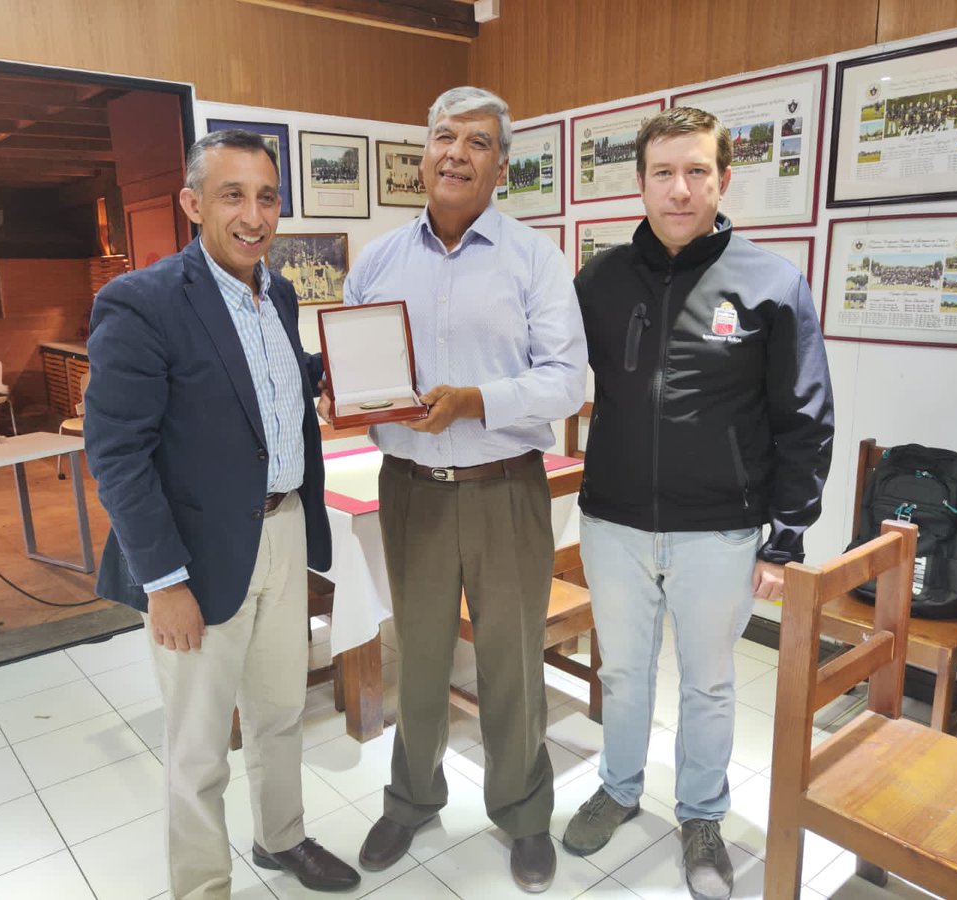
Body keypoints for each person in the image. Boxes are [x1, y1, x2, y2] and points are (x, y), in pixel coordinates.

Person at [563, 108, 834, 900]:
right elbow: (548, 368)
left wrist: (785, 537)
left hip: (720, 530)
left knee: (709, 684)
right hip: (613, 522)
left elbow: (805, 416)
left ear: (723, 179)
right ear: (640, 182)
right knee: (623, 671)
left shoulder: (771, 283)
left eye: (696, 172)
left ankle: (702, 815)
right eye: (663, 173)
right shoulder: (599, 281)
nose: (679, 189)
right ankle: (618, 788)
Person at [85, 129, 360, 899]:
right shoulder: (141, 302)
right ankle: (203, 886)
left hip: (284, 529)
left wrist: (329, 375)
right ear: (193, 203)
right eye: (232, 195)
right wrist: (163, 582)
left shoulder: (279, 293)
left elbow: (256, 383)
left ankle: (282, 838)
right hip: (197, 555)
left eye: (267, 197)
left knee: (280, 711)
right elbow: (117, 454)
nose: (253, 215)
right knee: (201, 746)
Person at [338, 86, 587, 893]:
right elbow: (355, 368)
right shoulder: (378, 260)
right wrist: (342, 395)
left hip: (503, 489)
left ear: (500, 165)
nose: (456, 153)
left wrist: (477, 401)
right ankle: (412, 799)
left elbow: (568, 382)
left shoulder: (534, 259)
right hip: (410, 487)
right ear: (424, 152)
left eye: (477, 142)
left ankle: (522, 812)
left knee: (511, 657)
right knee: (416, 655)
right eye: (444, 137)